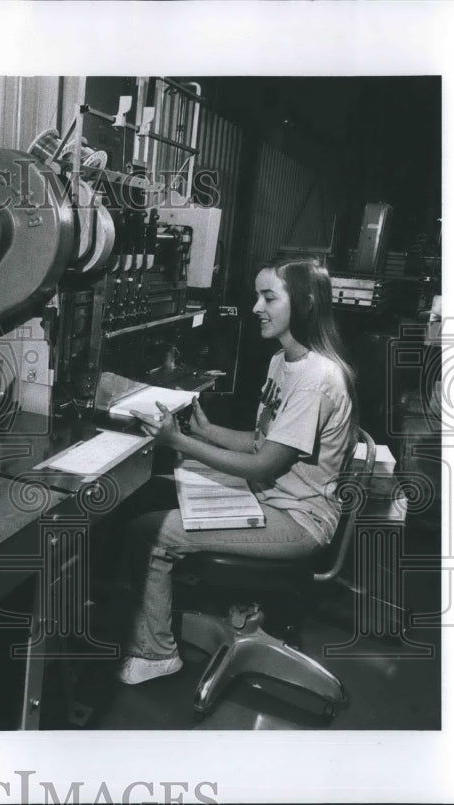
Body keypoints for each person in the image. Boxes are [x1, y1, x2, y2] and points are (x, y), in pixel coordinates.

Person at [119, 259, 357, 685]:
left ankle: (156, 654)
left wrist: (179, 442)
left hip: (299, 520)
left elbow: (266, 462)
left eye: (268, 297)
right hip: (266, 495)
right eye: (257, 296)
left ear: (304, 304)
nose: (255, 307)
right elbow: (263, 441)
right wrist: (206, 432)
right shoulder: (283, 361)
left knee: (150, 533)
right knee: (154, 488)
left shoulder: (317, 378)